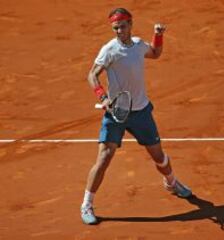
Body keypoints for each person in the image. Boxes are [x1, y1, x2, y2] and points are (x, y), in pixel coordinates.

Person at [80, 8, 192, 225]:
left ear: (130, 24)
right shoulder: (109, 50)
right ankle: (86, 205)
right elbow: (92, 74)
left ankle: (171, 183)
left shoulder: (139, 45)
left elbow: (156, 54)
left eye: (122, 27)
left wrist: (158, 35)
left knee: (158, 157)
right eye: (115, 28)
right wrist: (102, 96)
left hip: (141, 111)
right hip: (116, 113)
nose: (119, 31)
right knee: (104, 158)